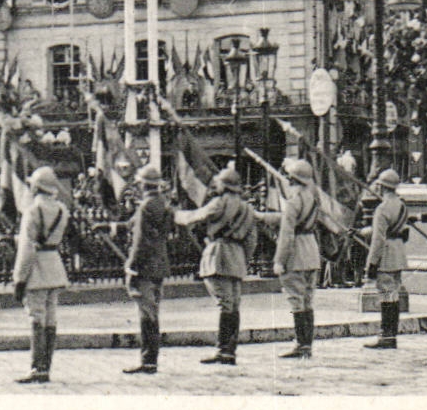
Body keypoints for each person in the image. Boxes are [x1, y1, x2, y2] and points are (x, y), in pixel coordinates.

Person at [175, 166, 256, 366]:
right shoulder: (247, 208)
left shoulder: (219, 203)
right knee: (234, 304)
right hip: (237, 255)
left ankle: (223, 350)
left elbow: (195, 217)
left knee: (225, 304)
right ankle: (229, 350)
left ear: (225, 185)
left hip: (219, 253)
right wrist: (243, 259)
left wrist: (174, 214)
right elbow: (251, 240)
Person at [258, 158, 323, 359]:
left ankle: (300, 344)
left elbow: (287, 232)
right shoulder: (313, 199)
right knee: (308, 300)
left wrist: (279, 260)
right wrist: (263, 217)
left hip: (296, 254)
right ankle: (307, 345)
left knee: (296, 301)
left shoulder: (293, 201)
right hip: (311, 252)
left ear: (293, 179)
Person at [13, 165, 69, 384]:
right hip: (54, 264)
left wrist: (19, 278)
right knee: (51, 318)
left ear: (35, 187)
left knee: (36, 318)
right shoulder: (62, 209)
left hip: (36, 268)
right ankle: (46, 367)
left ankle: (38, 367)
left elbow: (27, 247)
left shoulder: (33, 211)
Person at [123, 164, 172, 375]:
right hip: (159, 264)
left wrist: (132, 265)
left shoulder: (145, 207)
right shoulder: (165, 205)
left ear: (143, 184)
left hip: (144, 266)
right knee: (153, 311)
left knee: (146, 314)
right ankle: (152, 359)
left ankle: (148, 360)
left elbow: (140, 239)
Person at [361, 168, 411, 348]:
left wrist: (371, 264)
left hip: (386, 255)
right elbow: (402, 232)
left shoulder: (381, 208)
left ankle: (386, 335)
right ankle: (391, 335)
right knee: (394, 294)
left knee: (385, 295)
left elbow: (378, 239)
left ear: (382, 187)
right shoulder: (402, 205)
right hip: (398, 253)